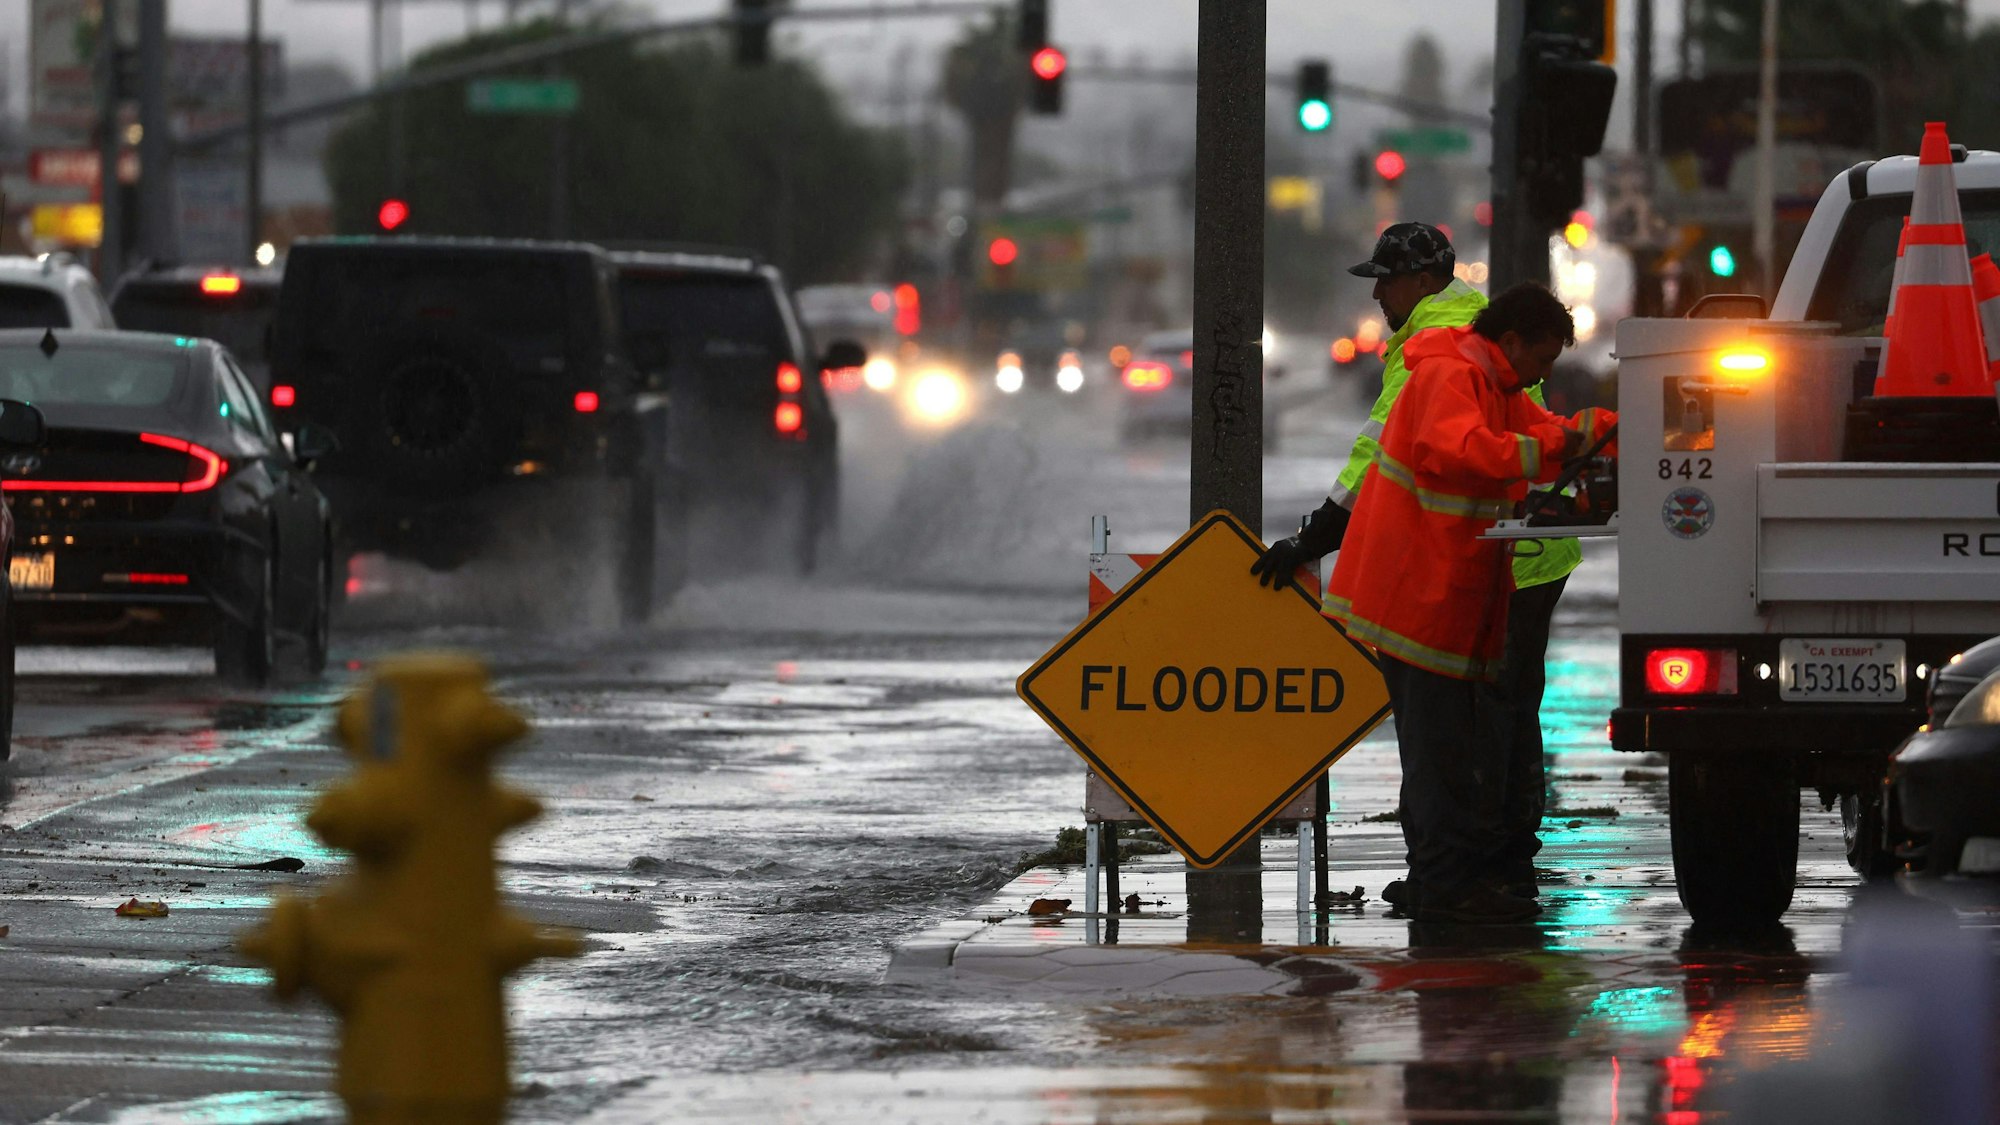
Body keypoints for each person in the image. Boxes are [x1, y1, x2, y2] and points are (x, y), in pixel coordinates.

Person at [1252, 227, 1604, 911]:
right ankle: (1491, 868)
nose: (1378, 293)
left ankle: (1474, 872)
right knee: (1493, 721)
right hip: (1506, 555)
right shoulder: (1461, 331)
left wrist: (1313, 537)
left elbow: (1382, 450)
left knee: (1467, 727)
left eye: (1386, 279)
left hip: (1497, 561)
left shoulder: (1438, 349)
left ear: (1422, 280)